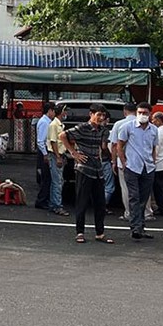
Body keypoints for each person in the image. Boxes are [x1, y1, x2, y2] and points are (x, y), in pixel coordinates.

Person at [60, 103, 114, 244]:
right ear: (91, 114)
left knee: (100, 203)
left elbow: (103, 148)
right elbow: (62, 135)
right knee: (82, 202)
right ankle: (80, 232)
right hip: (83, 168)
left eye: (103, 115)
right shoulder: (82, 128)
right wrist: (74, 153)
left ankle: (100, 233)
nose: (101, 118)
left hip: (98, 169)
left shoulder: (103, 130)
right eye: (99, 115)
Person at [117, 102, 158, 240]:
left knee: (143, 199)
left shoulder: (153, 130)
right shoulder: (127, 127)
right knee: (134, 197)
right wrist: (124, 162)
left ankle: (140, 227)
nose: (142, 115)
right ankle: (136, 227)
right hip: (132, 167)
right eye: (140, 112)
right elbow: (119, 145)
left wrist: (153, 162)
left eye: (145, 113)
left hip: (148, 168)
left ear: (150, 114)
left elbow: (153, 148)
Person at [109, 103, 153, 221]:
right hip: (144, 164)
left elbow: (114, 145)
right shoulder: (150, 127)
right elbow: (153, 148)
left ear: (125, 111)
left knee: (127, 189)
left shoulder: (119, 124)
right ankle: (146, 213)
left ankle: (129, 213)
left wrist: (115, 161)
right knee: (145, 191)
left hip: (126, 164)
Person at [46, 104, 70, 216]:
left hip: (60, 154)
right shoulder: (54, 125)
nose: (66, 113)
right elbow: (53, 141)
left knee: (57, 181)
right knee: (58, 182)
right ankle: (57, 205)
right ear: (61, 112)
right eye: (65, 111)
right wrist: (58, 157)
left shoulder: (59, 125)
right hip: (56, 155)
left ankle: (53, 204)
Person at [34, 103, 56, 210]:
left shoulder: (48, 122)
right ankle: (41, 200)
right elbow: (40, 141)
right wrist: (45, 154)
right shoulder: (44, 122)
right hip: (44, 152)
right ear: (50, 111)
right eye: (54, 111)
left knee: (47, 177)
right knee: (46, 178)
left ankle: (44, 199)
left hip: (45, 152)